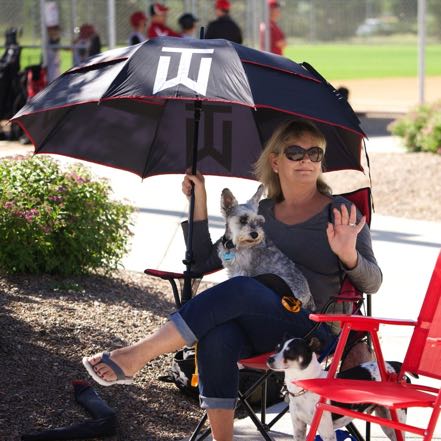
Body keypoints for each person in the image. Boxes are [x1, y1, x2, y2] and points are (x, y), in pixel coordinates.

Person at [82, 119, 382, 441]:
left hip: (311, 332)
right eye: (295, 152)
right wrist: (199, 201)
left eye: (315, 153)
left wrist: (348, 254)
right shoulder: (255, 212)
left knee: (240, 288)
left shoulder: (340, 211)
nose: (306, 160)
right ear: (275, 161)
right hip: (260, 328)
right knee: (219, 333)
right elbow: (200, 263)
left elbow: (372, 283)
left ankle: (136, 356)